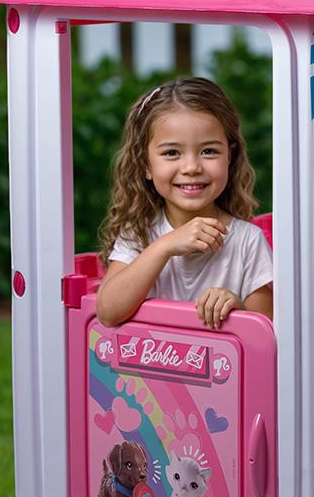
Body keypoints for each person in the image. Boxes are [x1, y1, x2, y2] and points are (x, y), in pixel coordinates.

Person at [96, 77, 272, 330]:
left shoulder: (248, 241)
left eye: (209, 151)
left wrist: (237, 308)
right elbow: (108, 312)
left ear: (230, 157)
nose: (191, 167)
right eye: (171, 153)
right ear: (146, 164)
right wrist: (164, 246)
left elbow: (266, 335)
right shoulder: (139, 233)